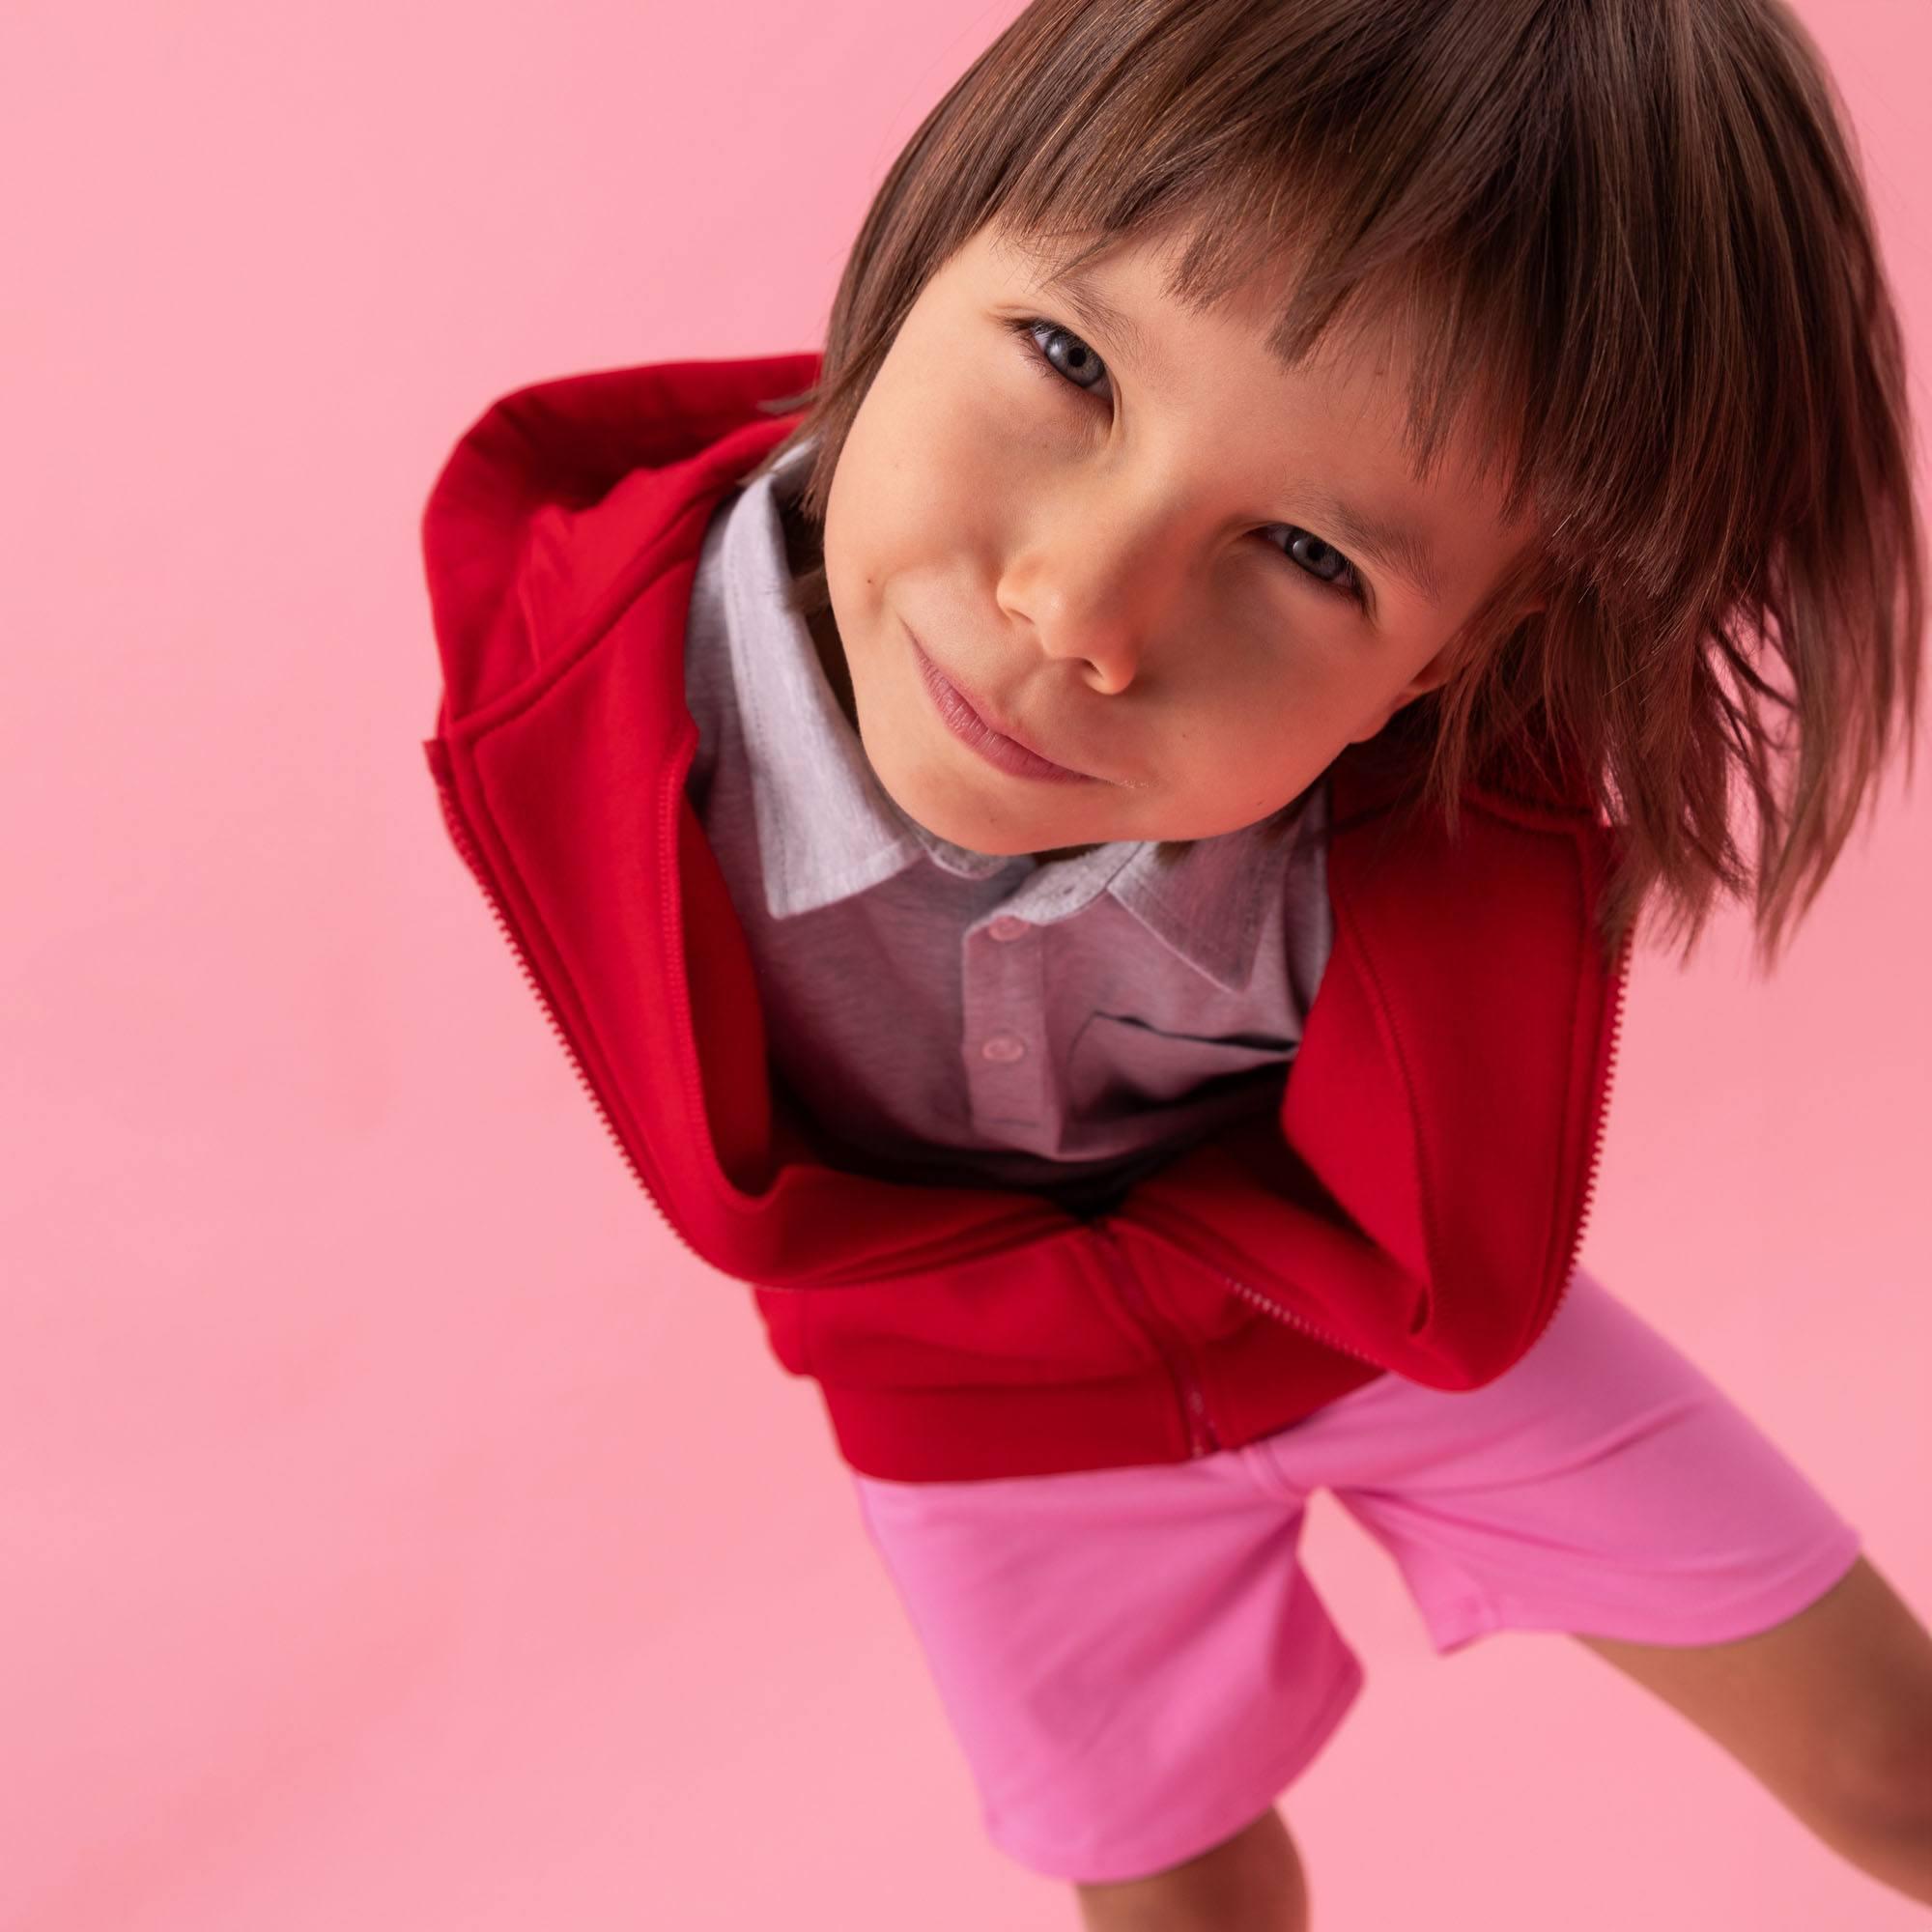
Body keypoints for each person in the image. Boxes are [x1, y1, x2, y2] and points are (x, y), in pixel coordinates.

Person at [418, 0, 1932, 1923]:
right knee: (1175, 1902)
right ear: (931, 234)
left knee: (1896, 1750)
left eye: (1306, 556)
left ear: (1454, 652)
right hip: (977, 1410)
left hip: (1367, 1308)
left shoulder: (1420, 805)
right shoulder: (633, 698)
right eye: (1063, 360)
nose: (1078, 608)